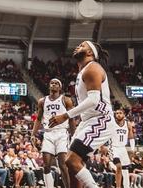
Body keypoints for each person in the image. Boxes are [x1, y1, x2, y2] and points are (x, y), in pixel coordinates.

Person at [49, 41, 116, 188]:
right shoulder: (82, 71)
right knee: (73, 166)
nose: (77, 46)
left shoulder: (93, 68)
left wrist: (65, 116)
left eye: (82, 45)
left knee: (71, 161)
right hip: (88, 121)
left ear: (90, 52)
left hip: (101, 119)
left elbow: (93, 100)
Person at [31, 78, 75, 188]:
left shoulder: (66, 100)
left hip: (62, 133)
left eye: (56, 83)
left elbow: (71, 119)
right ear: (49, 86)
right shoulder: (42, 101)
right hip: (48, 133)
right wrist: (33, 134)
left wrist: (74, 135)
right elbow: (38, 119)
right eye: (52, 83)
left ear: (60, 87)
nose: (54, 84)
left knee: (62, 165)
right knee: (46, 166)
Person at [112, 108, 135, 188]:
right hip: (113, 148)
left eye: (120, 113)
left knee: (125, 171)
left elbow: (131, 137)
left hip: (123, 148)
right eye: (117, 113)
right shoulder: (111, 123)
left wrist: (132, 149)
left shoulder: (128, 124)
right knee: (118, 166)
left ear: (124, 115)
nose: (118, 114)